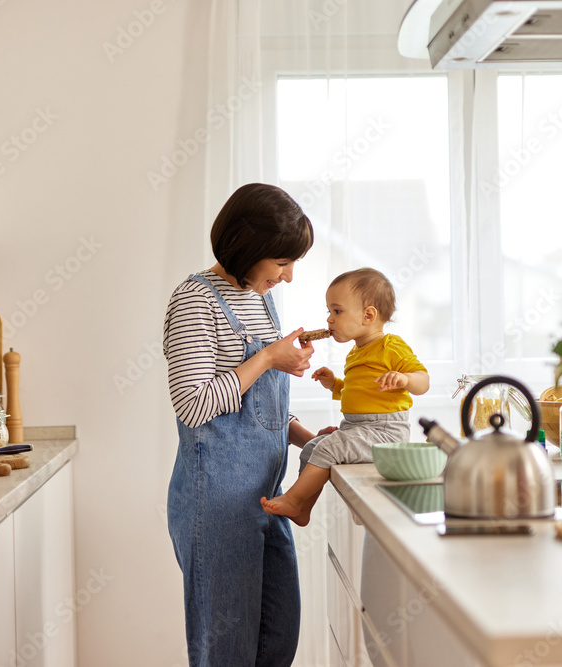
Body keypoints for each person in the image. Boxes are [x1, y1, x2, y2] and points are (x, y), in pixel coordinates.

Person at [164, 183, 319, 667]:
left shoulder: (260, 298)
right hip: (218, 506)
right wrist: (270, 356)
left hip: (265, 498)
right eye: (282, 261)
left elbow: (256, 406)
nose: (289, 276)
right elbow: (194, 404)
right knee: (226, 653)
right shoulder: (194, 300)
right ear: (248, 245)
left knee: (277, 639)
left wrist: (309, 439)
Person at [261, 268, 429, 526]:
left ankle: (293, 498)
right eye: (329, 311)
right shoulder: (355, 353)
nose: (329, 319)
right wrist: (334, 384)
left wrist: (405, 379)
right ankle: (303, 509)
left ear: (368, 315)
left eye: (337, 311)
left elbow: (423, 381)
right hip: (356, 427)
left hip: (384, 431)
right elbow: (356, 392)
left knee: (329, 447)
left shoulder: (390, 346)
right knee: (312, 448)